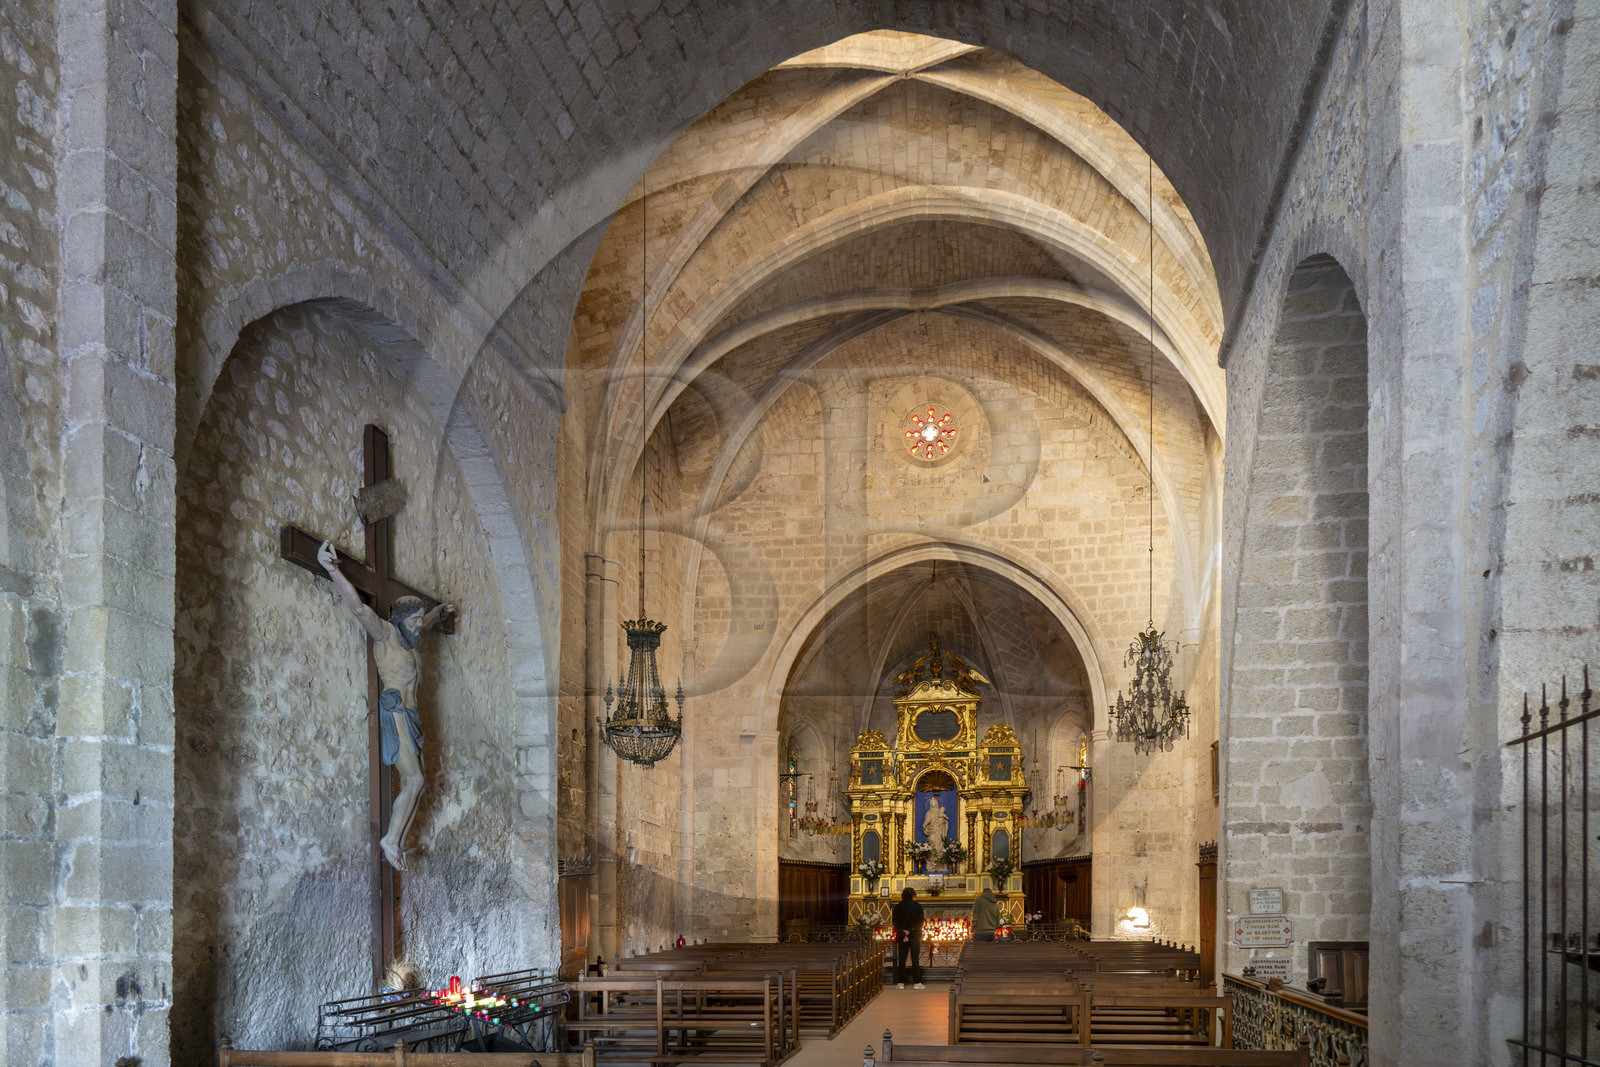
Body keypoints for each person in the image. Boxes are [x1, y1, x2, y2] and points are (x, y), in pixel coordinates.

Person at [318, 539, 453, 870]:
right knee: (416, 780)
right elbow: (358, 607)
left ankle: (398, 840)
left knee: (417, 784)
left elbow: (430, 623)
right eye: (414, 620)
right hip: (395, 712)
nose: (418, 625)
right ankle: (389, 840)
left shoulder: (411, 644)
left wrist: (439, 612)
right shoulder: (387, 635)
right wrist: (331, 569)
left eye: (420, 621)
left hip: (412, 716)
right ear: (401, 618)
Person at [892, 887, 925, 988]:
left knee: (902, 959)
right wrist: (910, 932)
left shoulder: (897, 907)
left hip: (902, 937)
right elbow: (919, 922)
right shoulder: (917, 906)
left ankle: (901, 982)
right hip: (914, 936)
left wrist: (903, 934)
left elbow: (895, 923)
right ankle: (917, 983)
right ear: (913, 895)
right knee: (915, 959)